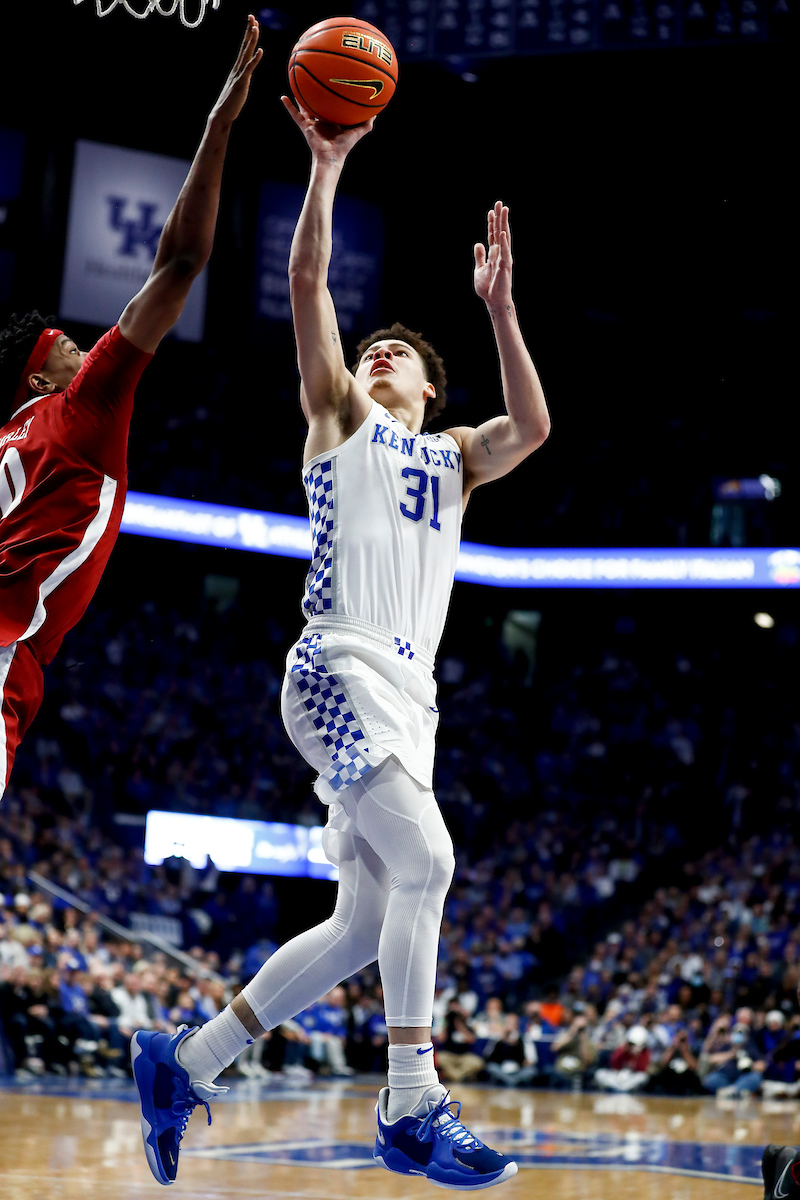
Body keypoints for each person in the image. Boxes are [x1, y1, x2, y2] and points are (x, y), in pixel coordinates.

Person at [132, 88, 549, 1191]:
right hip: (337, 665)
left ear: (430, 388)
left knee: (365, 923)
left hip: (410, 705)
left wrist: (501, 311)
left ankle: (185, 1061)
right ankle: (410, 1102)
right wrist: (326, 167)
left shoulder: (454, 457)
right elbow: (308, 283)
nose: (378, 354)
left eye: (397, 353)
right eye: (370, 350)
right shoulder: (341, 420)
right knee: (432, 862)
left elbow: (532, 427)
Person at [0, 17, 263, 805]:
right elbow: (180, 260)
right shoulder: (82, 409)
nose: (87, 351)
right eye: (68, 348)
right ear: (40, 381)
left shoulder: (7, 436)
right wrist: (218, 126)